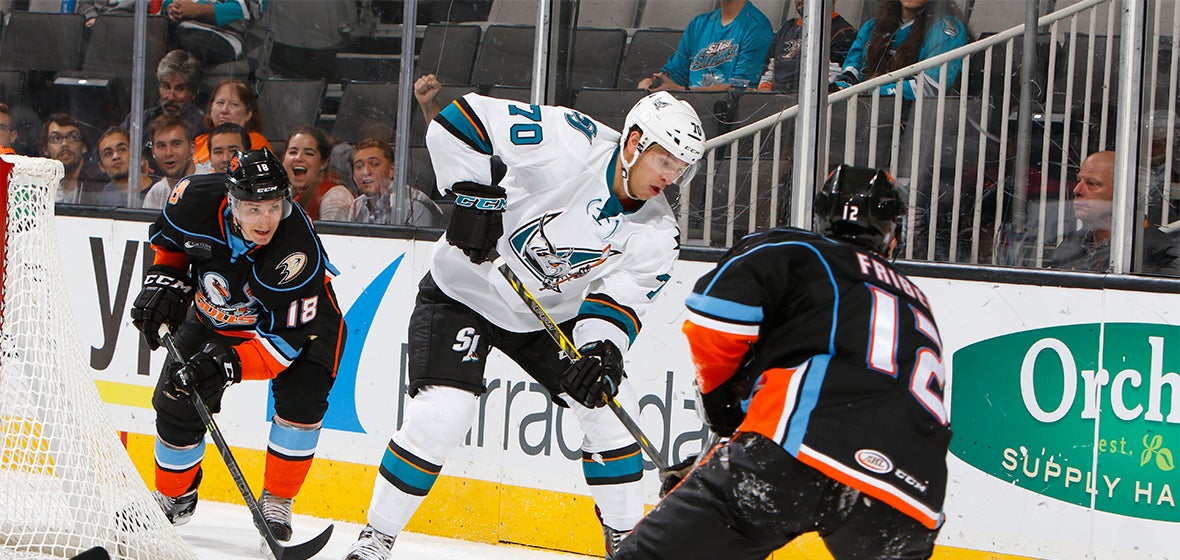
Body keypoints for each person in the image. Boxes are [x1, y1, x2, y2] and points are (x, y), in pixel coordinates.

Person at [341, 90, 706, 560]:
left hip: (546, 317)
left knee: (611, 415)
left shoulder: (658, 233)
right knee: (441, 417)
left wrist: (602, 353)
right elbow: (459, 119)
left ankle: (628, 547)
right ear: (634, 140)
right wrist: (474, 197)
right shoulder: (571, 141)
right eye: (665, 160)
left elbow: (616, 304)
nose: (670, 176)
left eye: (681, 167)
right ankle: (376, 538)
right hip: (464, 290)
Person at [615, 164, 950, 560]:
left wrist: (722, 411)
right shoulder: (918, 301)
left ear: (822, 216)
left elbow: (713, 323)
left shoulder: (798, 249)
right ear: (892, 235)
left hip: (796, 451)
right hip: (912, 490)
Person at [129, 147, 345, 542]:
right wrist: (165, 279)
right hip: (215, 312)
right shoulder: (193, 198)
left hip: (300, 325)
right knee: (176, 401)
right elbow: (172, 247)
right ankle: (174, 498)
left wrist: (225, 365)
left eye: (274, 207)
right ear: (231, 202)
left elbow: (283, 346)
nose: (266, 220)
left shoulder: (297, 252)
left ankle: (277, 501)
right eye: (253, 208)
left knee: (303, 400)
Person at [1049, 150, 1180, 275]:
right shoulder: (1072, 244)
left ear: (1122, 193)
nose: (1077, 190)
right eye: (1079, 180)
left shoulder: (1161, 255)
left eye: (1092, 183)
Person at [831, 0, 969, 99]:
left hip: (914, 127)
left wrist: (869, 93)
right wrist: (839, 87)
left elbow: (930, 86)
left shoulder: (946, 30)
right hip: (866, 119)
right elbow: (850, 72)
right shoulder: (872, 27)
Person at [637, 0, 773, 92]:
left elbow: (741, 86)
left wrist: (683, 91)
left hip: (726, 116)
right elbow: (675, 72)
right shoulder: (698, 24)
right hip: (687, 108)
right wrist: (652, 82)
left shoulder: (757, 26)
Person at [756, 0, 857, 93]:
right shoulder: (787, 27)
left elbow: (831, 85)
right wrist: (764, 92)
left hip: (811, 105)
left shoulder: (844, 33)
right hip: (776, 104)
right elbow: (768, 75)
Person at [122, 49, 206, 158]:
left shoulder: (202, 129)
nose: (171, 96)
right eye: (166, 87)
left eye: (179, 89)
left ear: (193, 93)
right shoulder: (139, 121)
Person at [347, 137, 443, 227]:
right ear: (354, 177)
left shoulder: (415, 205)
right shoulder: (357, 205)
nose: (366, 172)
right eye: (359, 166)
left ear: (392, 170)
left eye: (374, 164)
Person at [192, 79, 271, 172]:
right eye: (220, 103)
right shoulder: (199, 141)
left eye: (234, 104)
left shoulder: (257, 142)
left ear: (248, 114)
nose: (224, 110)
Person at [163, 0, 267, 67]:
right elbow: (163, 3)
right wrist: (170, 7)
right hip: (178, 27)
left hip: (222, 36)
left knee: (184, 45)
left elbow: (253, 8)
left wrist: (199, 9)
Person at [282, 125, 353, 222]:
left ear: (323, 163)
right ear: (283, 160)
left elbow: (333, 236)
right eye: (293, 152)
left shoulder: (336, 196)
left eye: (309, 153)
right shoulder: (280, 196)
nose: (298, 158)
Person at [41, 113, 106, 204]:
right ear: (45, 149)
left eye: (72, 137)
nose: (65, 144)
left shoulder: (98, 182)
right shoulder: (39, 184)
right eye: (56, 138)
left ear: (84, 146)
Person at [92, 126, 156, 207]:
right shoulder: (107, 193)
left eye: (122, 149)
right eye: (108, 153)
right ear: (101, 167)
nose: (116, 156)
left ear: (137, 154)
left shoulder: (162, 191)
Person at [142, 115, 197, 209]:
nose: (168, 153)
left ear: (192, 147)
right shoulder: (155, 194)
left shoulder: (211, 186)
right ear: (153, 152)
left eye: (176, 144)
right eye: (161, 146)